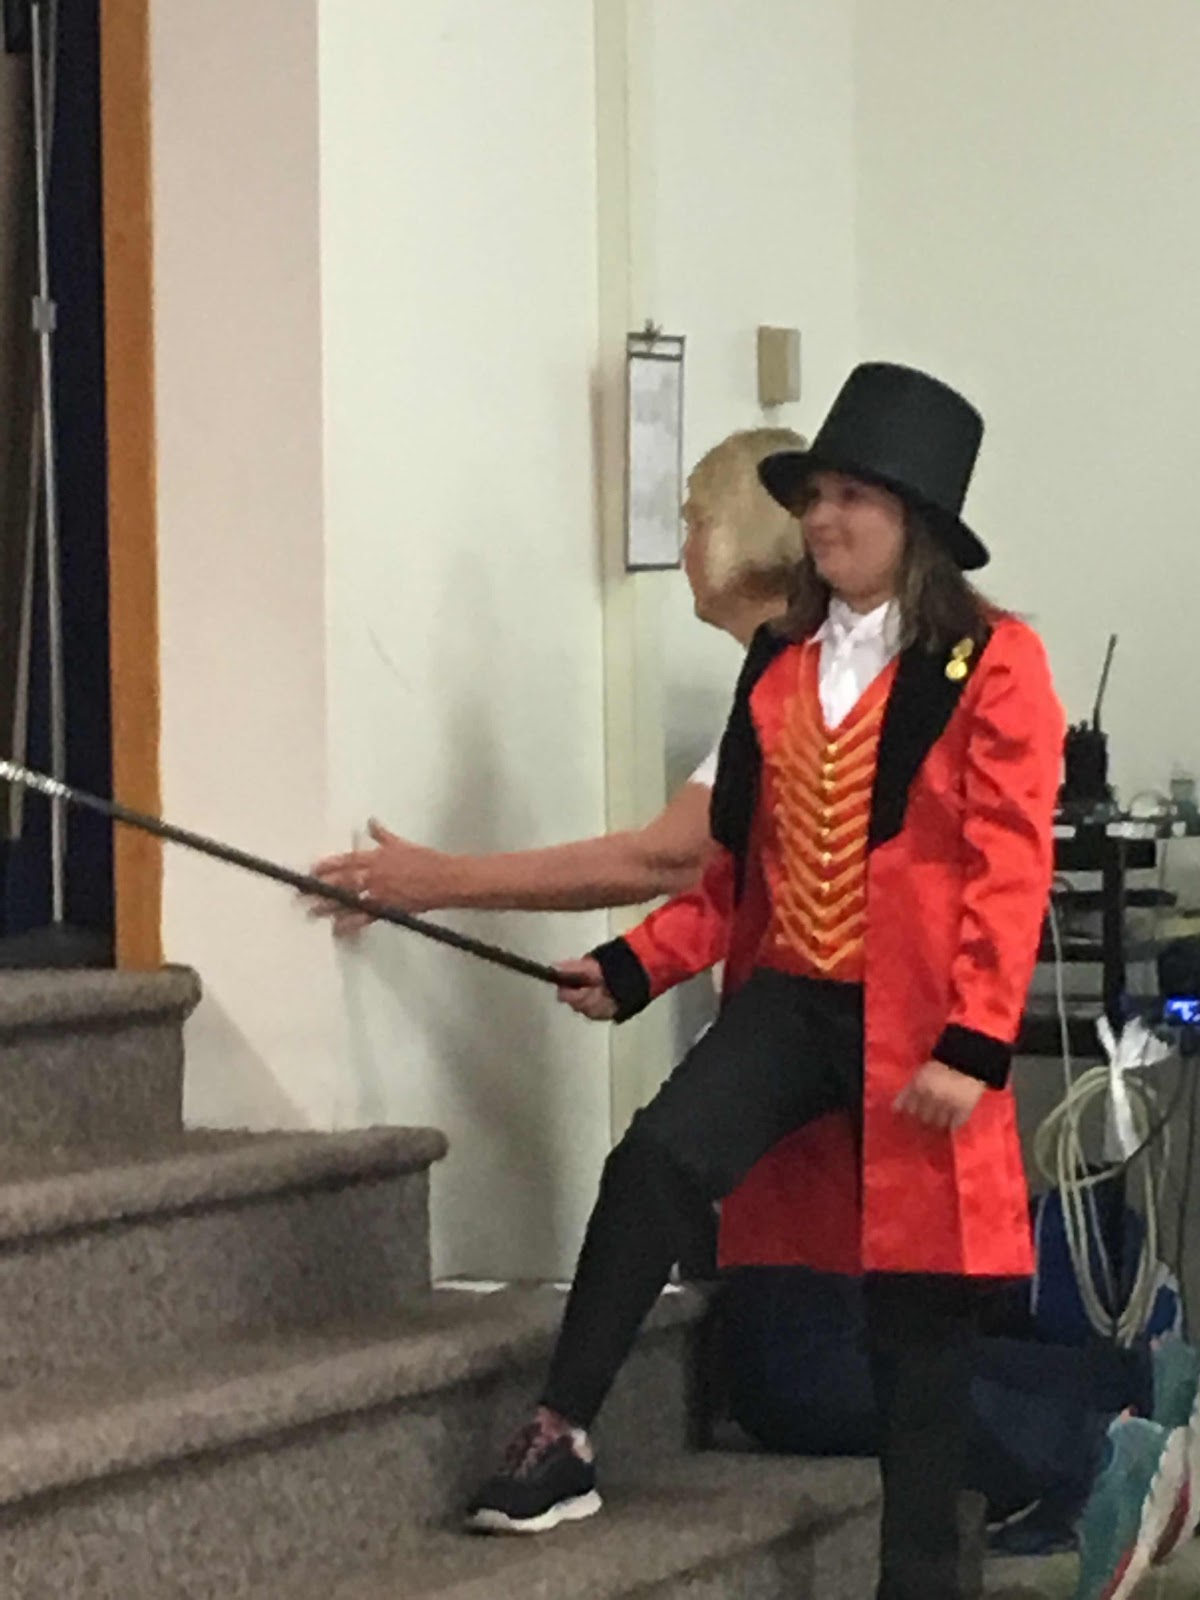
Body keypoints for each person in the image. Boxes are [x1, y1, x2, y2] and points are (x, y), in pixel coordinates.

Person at [463, 362, 1066, 1600]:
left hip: (922, 1020)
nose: (824, 519)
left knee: (918, 1318)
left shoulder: (995, 661)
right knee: (657, 1158)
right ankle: (562, 1431)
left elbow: (1010, 865)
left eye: (853, 497)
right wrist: (638, 963)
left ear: (916, 522)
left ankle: (919, 1583)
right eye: (816, 496)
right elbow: (740, 870)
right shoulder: (781, 664)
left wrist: (973, 1040)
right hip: (795, 996)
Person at [307, 426, 806, 929]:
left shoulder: (796, 684)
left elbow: (667, 857)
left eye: (695, 525)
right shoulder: (783, 671)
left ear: (736, 535)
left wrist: (437, 879)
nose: (684, 553)